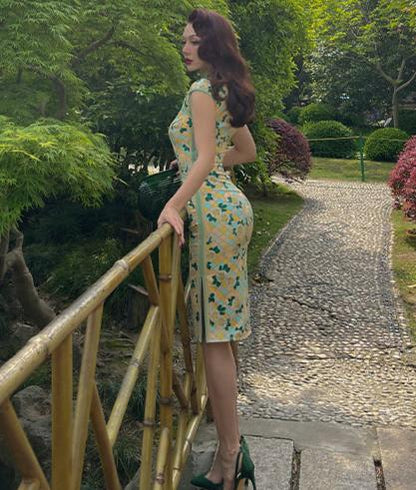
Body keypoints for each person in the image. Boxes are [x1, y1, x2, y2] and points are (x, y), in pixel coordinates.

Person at [157, 8, 257, 490]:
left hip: (213, 219)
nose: (185, 48)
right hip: (232, 211)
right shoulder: (224, 90)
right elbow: (244, 151)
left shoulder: (201, 91)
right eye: (184, 40)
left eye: (194, 41)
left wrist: (173, 205)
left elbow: (203, 159)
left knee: (214, 337)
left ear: (213, 45)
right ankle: (231, 450)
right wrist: (213, 172)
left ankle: (230, 455)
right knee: (224, 333)